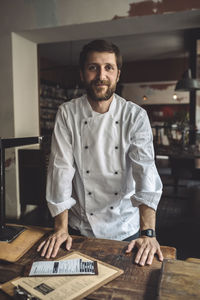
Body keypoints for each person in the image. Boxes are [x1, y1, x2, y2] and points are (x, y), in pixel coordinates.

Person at [37, 39, 163, 266]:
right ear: (83, 73)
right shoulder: (67, 113)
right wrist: (60, 228)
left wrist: (148, 234)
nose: (101, 75)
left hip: (125, 226)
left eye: (108, 68)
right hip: (79, 226)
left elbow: (145, 173)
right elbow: (60, 170)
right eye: (93, 67)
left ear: (118, 74)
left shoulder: (135, 116)